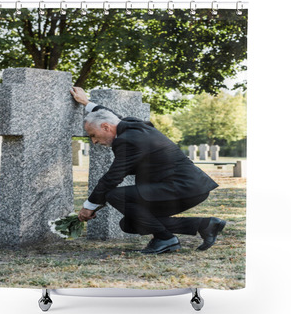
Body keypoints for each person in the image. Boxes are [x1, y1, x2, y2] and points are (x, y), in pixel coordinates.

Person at [70, 87, 226, 254]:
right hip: (188, 187)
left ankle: (166, 239)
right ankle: (205, 225)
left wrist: (89, 206)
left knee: (114, 194)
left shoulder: (127, 140)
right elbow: (111, 115)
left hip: (183, 187)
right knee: (130, 223)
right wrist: (86, 103)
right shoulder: (132, 125)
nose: (93, 141)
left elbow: (112, 178)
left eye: (93, 135)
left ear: (106, 127)